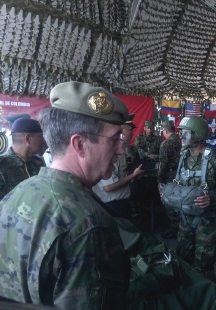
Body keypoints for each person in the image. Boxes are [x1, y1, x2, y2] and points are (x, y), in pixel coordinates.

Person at [0, 81, 130, 308]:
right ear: (80, 144)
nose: (120, 148)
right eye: (114, 139)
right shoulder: (89, 224)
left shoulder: (19, 193)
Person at [169, 116, 216, 281]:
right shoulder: (183, 156)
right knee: (183, 260)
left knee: (203, 266)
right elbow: (179, 181)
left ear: (198, 135)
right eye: (181, 133)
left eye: (186, 133)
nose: (181, 137)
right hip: (186, 218)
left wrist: (213, 198)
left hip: (208, 222)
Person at [92, 118, 145, 218]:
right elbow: (109, 187)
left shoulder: (120, 149)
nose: (132, 134)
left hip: (120, 203)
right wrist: (134, 175)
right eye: (130, 130)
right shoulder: (109, 153)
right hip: (113, 205)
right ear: (122, 131)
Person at [0, 118, 45, 200]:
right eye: (41, 137)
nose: (44, 141)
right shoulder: (2, 166)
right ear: (27, 139)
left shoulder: (39, 163)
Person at [158, 120, 182, 239]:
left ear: (165, 130)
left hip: (170, 176)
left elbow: (163, 164)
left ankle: (175, 228)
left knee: (169, 202)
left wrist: (159, 180)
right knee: (182, 200)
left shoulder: (166, 144)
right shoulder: (182, 140)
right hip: (182, 175)